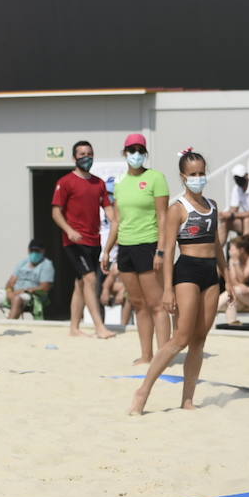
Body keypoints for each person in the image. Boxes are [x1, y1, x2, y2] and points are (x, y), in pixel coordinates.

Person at [129, 149, 225, 415]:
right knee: (180, 337)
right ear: (183, 177)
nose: (198, 178)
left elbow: (216, 244)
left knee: (199, 340)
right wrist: (167, 290)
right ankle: (143, 391)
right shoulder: (178, 209)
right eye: (193, 174)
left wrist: (228, 275)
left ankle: (187, 398)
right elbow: (169, 250)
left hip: (210, 274)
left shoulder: (213, 206)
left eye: (201, 173)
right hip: (187, 272)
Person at [102, 133, 170, 363]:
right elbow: (117, 221)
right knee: (138, 304)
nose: (136, 154)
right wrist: (106, 250)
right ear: (124, 153)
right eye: (132, 150)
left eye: (140, 150)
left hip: (148, 244)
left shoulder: (155, 178)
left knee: (157, 304)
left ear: (146, 153)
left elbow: (163, 216)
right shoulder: (120, 184)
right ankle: (146, 355)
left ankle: (163, 355)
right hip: (126, 248)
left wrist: (161, 250)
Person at [51, 141, 116, 338]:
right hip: (74, 241)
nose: (86, 157)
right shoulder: (66, 182)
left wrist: (116, 221)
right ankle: (99, 326)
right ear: (74, 158)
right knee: (90, 279)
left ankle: (74, 328)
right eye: (81, 154)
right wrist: (68, 230)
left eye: (89, 153)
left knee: (80, 284)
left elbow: (109, 211)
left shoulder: (99, 183)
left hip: (93, 241)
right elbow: (56, 212)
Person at [0, 239, 54, 320]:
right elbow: (10, 282)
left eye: (37, 251)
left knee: (17, 300)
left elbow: (45, 287)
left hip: (31, 295)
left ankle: (9, 327)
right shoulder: (23, 263)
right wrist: (9, 292)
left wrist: (24, 291)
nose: (34, 253)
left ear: (43, 251)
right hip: (14, 292)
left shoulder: (46, 265)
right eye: (32, 250)